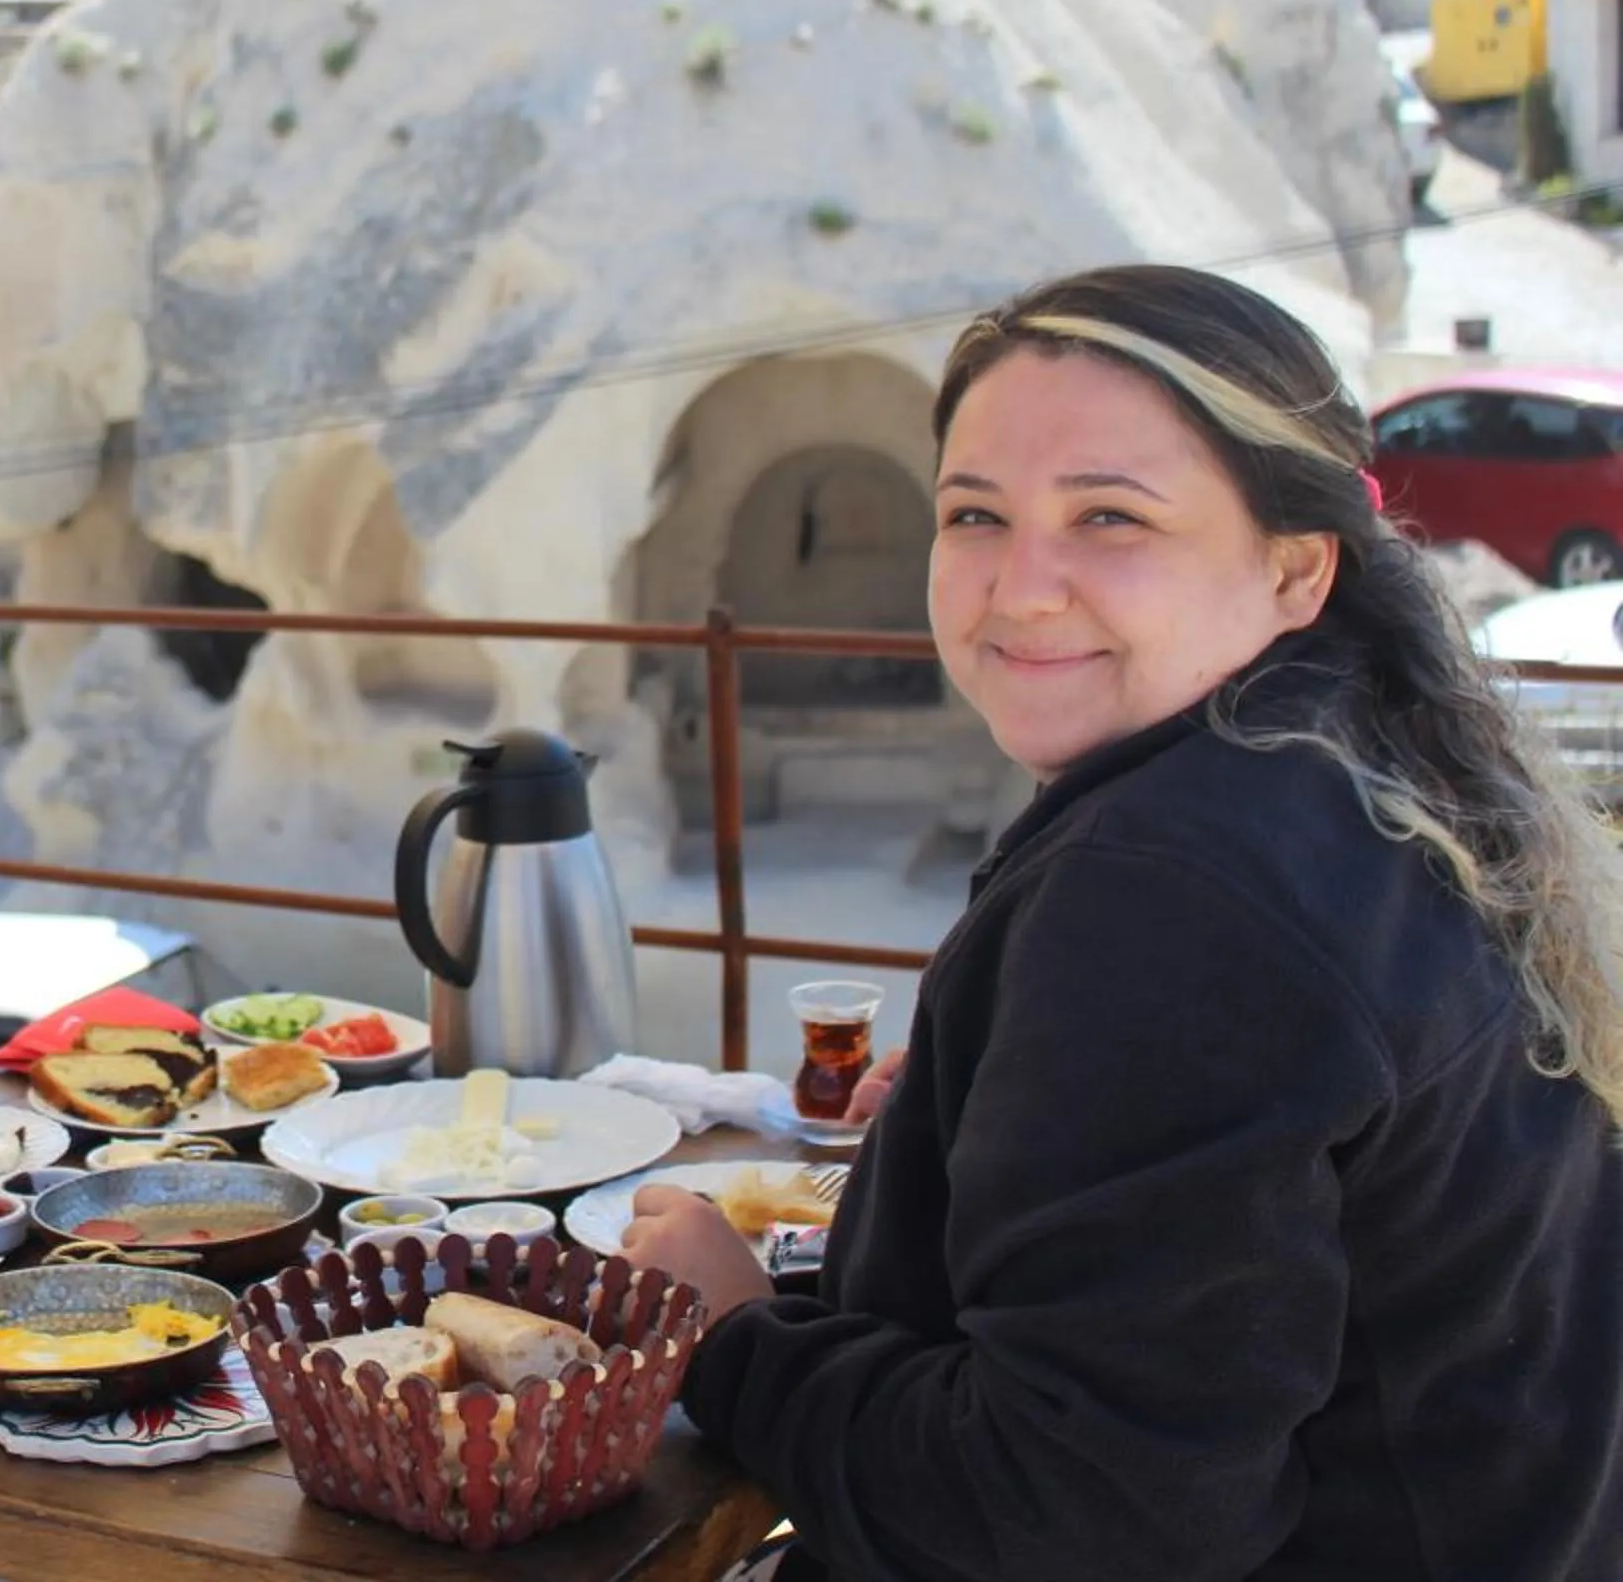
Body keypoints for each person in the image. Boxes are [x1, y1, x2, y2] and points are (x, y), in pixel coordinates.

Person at [626, 265, 1623, 1580]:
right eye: (975, 513)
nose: (1021, 587)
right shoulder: (1359, 773)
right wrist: (1000, 1110)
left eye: (1111, 516)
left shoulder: (1178, 892)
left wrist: (735, 1333)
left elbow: (1083, 1517)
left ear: (1295, 569)